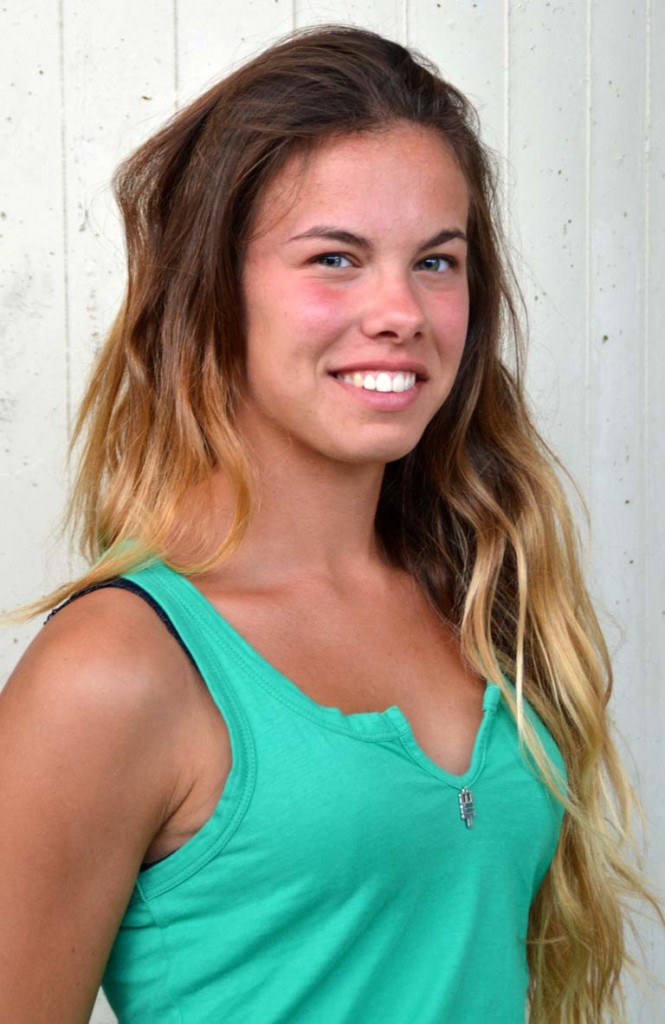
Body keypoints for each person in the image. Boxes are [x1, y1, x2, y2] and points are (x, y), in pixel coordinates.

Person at [0, 24, 659, 1024]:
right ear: (213, 291)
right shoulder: (116, 669)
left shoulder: (476, 595)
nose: (401, 311)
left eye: (435, 261)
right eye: (335, 257)